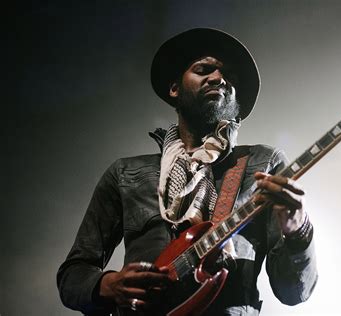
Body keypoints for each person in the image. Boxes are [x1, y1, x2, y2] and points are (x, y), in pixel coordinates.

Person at [57, 28, 318, 316]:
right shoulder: (126, 172)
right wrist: (109, 284)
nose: (219, 78)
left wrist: (298, 230)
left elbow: (294, 292)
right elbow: (73, 275)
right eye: (204, 69)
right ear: (174, 89)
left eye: (229, 76)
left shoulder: (262, 163)